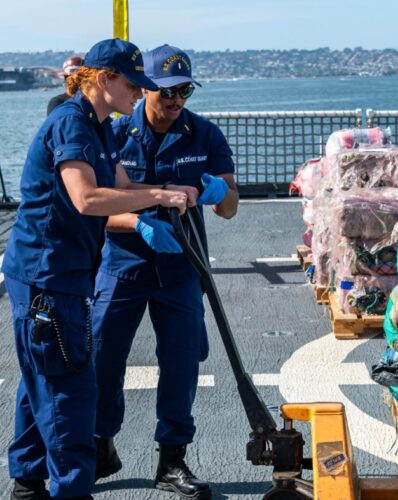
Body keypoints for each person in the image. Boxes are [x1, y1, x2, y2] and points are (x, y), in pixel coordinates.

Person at [2, 38, 196, 500]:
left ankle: (27, 481)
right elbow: (86, 198)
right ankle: (72, 490)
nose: (139, 94)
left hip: (60, 274)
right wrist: (158, 198)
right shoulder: (70, 124)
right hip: (49, 276)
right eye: (134, 84)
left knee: (40, 380)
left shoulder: (104, 128)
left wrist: (171, 189)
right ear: (104, 80)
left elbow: (123, 184)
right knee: (69, 389)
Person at [92, 44, 238, 500]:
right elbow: (93, 208)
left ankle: (172, 461)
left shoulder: (205, 135)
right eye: (168, 91)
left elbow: (230, 207)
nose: (176, 101)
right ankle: (99, 445)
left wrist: (216, 190)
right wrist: (137, 220)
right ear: (147, 88)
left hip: (181, 268)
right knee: (101, 358)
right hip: (123, 265)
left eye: (185, 91)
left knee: (180, 366)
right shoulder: (114, 133)